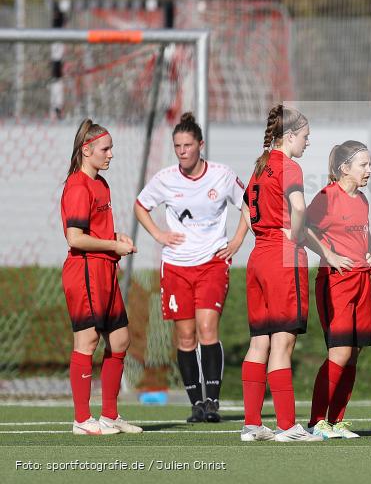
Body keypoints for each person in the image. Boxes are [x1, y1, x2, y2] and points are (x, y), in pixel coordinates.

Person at [135, 113, 249, 423]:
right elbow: (140, 205)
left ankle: (212, 400)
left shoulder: (222, 175)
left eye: (188, 145)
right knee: (185, 337)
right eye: (177, 146)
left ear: (201, 145)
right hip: (176, 266)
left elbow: (249, 202)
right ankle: (196, 403)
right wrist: (158, 234)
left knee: (207, 328)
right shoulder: (166, 178)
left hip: (212, 262)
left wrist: (237, 240)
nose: (182, 151)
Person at [239, 105, 325, 442]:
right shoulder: (290, 166)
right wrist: (296, 233)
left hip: (258, 255)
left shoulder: (260, 166)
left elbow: (246, 207)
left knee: (259, 341)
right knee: (283, 342)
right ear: (289, 136)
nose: (307, 144)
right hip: (281, 256)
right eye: (305, 137)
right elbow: (299, 208)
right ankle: (288, 426)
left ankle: (252, 424)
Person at [61, 119, 142, 435]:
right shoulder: (78, 186)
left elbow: (96, 230)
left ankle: (109, 415)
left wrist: (116, 237)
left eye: (111, 149)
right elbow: (75, 238)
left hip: (105, 270)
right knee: (88, 340)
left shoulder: (101, 184)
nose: (111, 155)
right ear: (87, 149)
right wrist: (112, 245)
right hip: (84, 271)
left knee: (120, 338)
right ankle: (82, 420)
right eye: (105, 149)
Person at [306, 141, 371, 440]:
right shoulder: (326, 197)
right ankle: (316, 421)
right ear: (344, 168)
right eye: (363, 165)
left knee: (354, 353)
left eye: (370, 164)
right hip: (335, 281)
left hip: (362, 281)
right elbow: (304, 228)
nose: (369, 170)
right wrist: (329, 254)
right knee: (340, 351)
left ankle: (336, 421)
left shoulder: (362, 199)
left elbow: (363, 231)